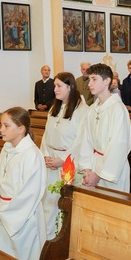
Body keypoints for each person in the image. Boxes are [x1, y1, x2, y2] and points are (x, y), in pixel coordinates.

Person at [0, 107, 46, 260]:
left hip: (22, 219)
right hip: (2, 211)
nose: (1, 129)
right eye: (1, 125)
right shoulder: (7, 149)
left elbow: (30, 194)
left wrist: (5, 211)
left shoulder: (31, 155)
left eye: (6, 125)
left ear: (21, 128)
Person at [41, 72, 88, 240]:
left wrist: (63, 160)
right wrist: (45, 155)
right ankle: (46, 239)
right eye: (54, 86)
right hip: (51, 161)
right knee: (48, 202)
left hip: (66, 163)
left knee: (61, 204)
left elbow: (81, 140)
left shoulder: (81, 110)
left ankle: (59, 240)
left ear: (70, 87)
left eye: (59, 86)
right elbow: (46, 134)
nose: (55, 89)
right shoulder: (55, 107)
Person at [75, 63, 131, 192]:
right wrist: (87, 168)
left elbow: (120, 145)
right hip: (93, 165)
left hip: (111, 169)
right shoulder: (92, 109)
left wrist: (100, 174)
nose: (89, 84)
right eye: (89, 79)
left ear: (107, 81)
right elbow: (86, 140)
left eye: (94, 79)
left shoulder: (117, 109)